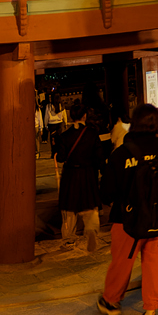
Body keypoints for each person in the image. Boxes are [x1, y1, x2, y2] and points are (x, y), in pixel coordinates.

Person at [97, 103, 158, 315]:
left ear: (134, 123)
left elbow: (106, 193)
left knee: (122, 263)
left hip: (126, 220)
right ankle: (150, 312)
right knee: (156, 265)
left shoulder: (122, 154)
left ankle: (111, 301)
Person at [54, 100, 102, 251]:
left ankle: (69, 238)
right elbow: (99, 157)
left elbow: (61, 158)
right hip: (87, 173)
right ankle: (91, 231)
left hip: (70, 174)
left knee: (69, 209)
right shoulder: (92, 134)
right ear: (84, 116)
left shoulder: (65, 136)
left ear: (71, 116)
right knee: (90, 206)